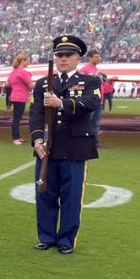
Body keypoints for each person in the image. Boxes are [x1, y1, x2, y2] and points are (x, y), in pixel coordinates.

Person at [30, 34, 100, 255]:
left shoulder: (90, 81)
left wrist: (62, 103)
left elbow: (91, 102)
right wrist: (37, 138)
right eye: (59, 55)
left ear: (78, 57)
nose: (62, 59)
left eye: (68, 55)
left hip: (75, 147)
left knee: (71, 197)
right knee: (45, 194)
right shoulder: (43, 83)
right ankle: (46, 236)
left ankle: (66, 239)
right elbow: (36, 113)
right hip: (47, 148)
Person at [79, 49, 116, 146]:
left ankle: (93, 142)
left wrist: (110, 80)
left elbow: (103, 83)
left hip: (99, 100)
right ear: (89, 58)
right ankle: (84, 142)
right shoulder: (84, 69)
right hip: (90, 100)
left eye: (99, 57)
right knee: (87, 122)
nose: (99, 59)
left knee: (95, 123)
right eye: (96, 57)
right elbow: (81, 81)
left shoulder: (98, 71)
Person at [7, 52, 33, 145]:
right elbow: (30, 85)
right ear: (23, 61)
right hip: (20, 97)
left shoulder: (14, 71)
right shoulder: (23, 72)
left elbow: (8, 84)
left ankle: (17, 137)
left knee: (16, 118)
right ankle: (15, 139)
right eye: (28, 60)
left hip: (15, 96)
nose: (29, 62)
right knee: (16, 119)